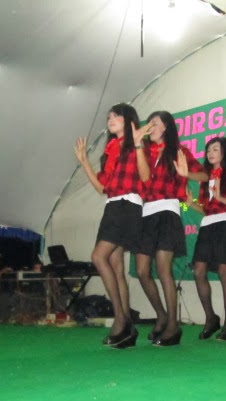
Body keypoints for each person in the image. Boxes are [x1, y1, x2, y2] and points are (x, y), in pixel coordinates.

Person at [74, 103, 151, 349]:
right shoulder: (111, 149)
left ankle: (121, 319)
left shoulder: (136, 144)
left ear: (129, 120)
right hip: (113, 206)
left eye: (116, 115)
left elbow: (146, 177)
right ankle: (128, 327)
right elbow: (102, 188)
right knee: (116, 267)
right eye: (108, 116)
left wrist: (138, 145)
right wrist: (84, 162)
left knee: (98, 257)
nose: (110, 119)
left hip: (128, 205)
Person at [135, 111, 207, 347]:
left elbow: (205, 174)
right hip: (146, 212)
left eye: (155, 123)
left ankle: (173, 326)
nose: (150, 127)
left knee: (163, 269)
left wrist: (187, 174)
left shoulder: (178, 151)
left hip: (168, 210)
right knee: (142, 270)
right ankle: (162, 315)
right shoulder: (144, 150)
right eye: (149, 124)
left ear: (166, 127)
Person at [187, 136, 226, 341]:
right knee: (198, 271)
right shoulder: (205, 178)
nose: (210, 153)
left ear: (224, 152)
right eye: (208, 150)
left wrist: (221, 197)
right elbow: (206, 209)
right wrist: (190, 203)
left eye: (215, 149)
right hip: (207, 225)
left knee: (224, 271)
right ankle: (211, 317)